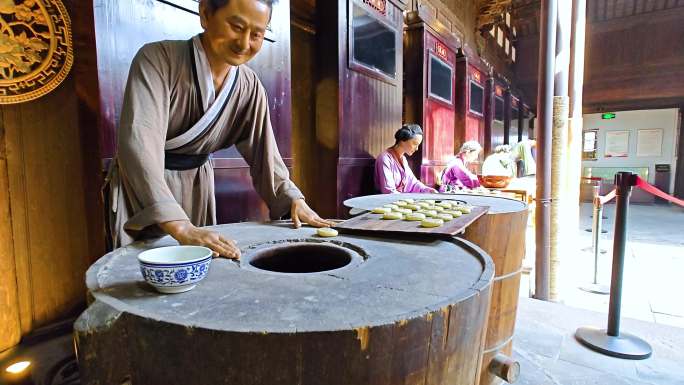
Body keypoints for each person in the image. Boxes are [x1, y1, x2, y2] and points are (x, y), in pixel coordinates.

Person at [105, 0, 333, 259]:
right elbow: (139, 144)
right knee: (143, 273)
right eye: (236, 27)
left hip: (196, 187)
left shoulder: (250, 87)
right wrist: (179, 225)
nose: (244, 43)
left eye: (257, 34)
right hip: (143, 188)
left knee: (198, 269)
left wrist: (293, 199)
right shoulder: (157, 60)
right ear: (205, 14)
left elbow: (266, 156)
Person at [375, 124, 437, 194]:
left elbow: (413, 183)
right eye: (414, 144)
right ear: (403, 140)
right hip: (387, 202)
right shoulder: (385, 158)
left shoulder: (403, 159)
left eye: (418, 145)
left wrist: (428, 190)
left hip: (400, 199)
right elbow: (388, 190)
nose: (416, 149)